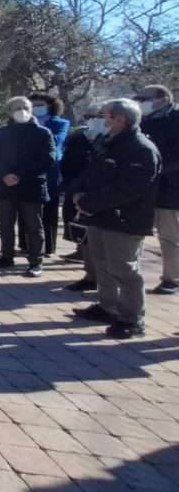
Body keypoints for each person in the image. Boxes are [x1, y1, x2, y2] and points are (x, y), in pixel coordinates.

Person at [66, 99, 161, 339]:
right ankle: (107, 307)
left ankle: (132, 318)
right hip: (97, 216)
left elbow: (129, 189)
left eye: (105, 115)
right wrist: (77, 193)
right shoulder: (106, 142)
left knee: (124, 269)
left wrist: (88, 202)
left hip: (124, 220)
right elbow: (88, 172)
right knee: (102, 263)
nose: (101, 119)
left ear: (121, 119)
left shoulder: (141, 148)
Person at [0, 96, 55, 277]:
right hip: (5, 186)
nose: (21, 111)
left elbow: (48, 159)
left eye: (25, 107)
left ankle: (36, 262)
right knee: (6, 224)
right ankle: (7, 256)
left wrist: (20, 176)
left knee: (33, 226)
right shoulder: (1, 132)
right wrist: (5, 174)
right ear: (9, 112)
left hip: (32, 187)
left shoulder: (43, 133)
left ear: (31, 110)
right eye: (16, 108)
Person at [134, 85, 179, 294]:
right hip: (141, 189)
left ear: (163, 99)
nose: (140, 101)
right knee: (132, 234)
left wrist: (154, 173)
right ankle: (129, 278)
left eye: (145, 98)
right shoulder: (141, 120)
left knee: (169, 237)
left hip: (169, 189)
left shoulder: (176, 119)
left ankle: (172, 278)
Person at [61, 103, 105, 291]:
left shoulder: (114, 140)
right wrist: (74, 188)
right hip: (78, 191)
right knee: (85, 235)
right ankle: (90, 275)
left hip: (104, 198)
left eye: (100, 116)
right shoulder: (80, 135)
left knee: (105, 245)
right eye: (90, 116)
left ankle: (106, 285)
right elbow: (68, 162)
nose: (93, 120)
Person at [29, 92, 70, 256]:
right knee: (28, 209)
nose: (37, 108)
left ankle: (48, 247)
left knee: (49, 209)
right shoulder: (22, 122)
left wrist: (35, 127)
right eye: (34, 105)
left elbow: (55, 140)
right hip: (28, 169)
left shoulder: (61, 123)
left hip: (50, 170)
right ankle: (27, 244)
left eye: (41, 105)